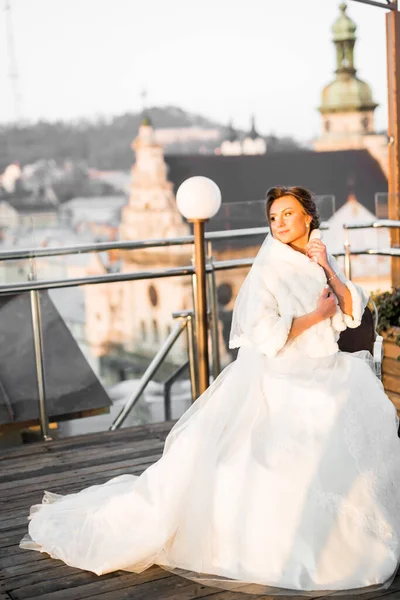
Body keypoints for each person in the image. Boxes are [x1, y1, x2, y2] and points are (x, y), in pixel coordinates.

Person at [20, 186, 400, 596]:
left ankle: (357, 526)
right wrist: (315, 315)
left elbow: (351, 306)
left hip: (326, 367)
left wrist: (327, 267)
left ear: (309, 216)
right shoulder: (268, 265)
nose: (280, 223)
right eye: (273, 217)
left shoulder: (320, 254)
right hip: (287, 372)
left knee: (357, 407)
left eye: (288, 214)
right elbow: (264, 332)